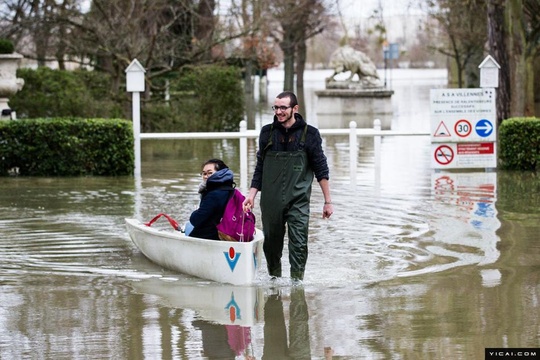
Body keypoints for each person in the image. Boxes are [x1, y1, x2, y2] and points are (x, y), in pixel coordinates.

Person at [243, 91, 333, 281]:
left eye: (283, 107)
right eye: (276, 107)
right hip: (270, 201)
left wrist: (328, 201)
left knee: (299, 244)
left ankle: (297, 286)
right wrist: (251, 195)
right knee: (271, 246)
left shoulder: (310, 134)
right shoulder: (267, 133)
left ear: (295, 109)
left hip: (298, 200)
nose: (279, 111)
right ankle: (274, 281)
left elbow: (321, 169)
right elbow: (260, 166)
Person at [188, 158, 234, 240]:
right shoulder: (230, 189)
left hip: (209, 237)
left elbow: (196, 220)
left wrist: (194, 213)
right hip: (225, 233)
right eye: (204, 173)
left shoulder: (214, 194)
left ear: (220, 173)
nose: (206, 176)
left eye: (210, 173)